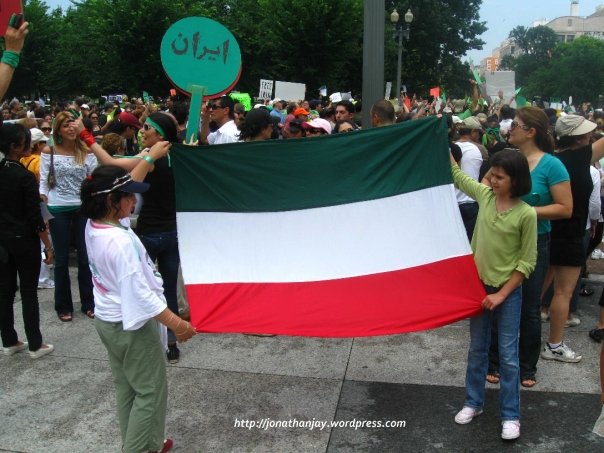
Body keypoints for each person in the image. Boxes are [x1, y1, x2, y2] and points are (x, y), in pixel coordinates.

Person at [81, 164, 195, 453]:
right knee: (150, 392)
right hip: (131, 326)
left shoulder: (96, 224)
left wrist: (150, 157)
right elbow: (141, 295)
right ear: (111, 200)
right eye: (129, 196)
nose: (135, 200)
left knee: (128, 388)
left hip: (109, 320)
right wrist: (177, 324)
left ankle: (150, 444)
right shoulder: (119, 242)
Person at [452, 149, 537, 441]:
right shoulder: (486, 197)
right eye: (492, 175)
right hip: (479, 288)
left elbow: (527, 262)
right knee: (477, 349)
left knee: (508, 355)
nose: (492, 180)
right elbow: (458, 176)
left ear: (516, 180)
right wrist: (441, 140)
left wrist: (502, 294)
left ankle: (511, 416)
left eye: (499, 177)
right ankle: (473, 402)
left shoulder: (526, 214)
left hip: (507, 292)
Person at [487, 106, 571, 388]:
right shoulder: (508, 158)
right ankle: (494, 362)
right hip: (501, 241)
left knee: (529, 307)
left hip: (536, 241)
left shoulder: (552, 165)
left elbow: (565, 208)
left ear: (531, 132)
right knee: (496, 300)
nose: (509, 128)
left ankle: (526, 366)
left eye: (515, 125)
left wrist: (526, 212)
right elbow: (486, 187)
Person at [541, 114, 604, 363]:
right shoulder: (581, 156)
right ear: (579, 138)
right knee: (563, 293)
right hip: (571, 232)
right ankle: (554, 344)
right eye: (587, 132)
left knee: (537, 291)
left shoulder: (551, 159)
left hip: (547, 229)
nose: (591, 135)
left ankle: (517, 335)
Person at [0, 123, 54, 359]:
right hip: (24, 239)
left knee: (5, 291)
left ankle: (9, 340)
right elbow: (36, 217)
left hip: (3, 239)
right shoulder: (24, 176)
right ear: (15, 145)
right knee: (29, 291)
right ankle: (35, 343)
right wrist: (48, 245)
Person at [39, 111, 97, 322]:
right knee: (62, 259)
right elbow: (43, 183)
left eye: (73, 124)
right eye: (65, 125)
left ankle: (89, 302)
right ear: (58, 130)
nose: (71, 128)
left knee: (85, 257)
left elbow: (94, 177)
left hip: (82, 208)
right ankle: (63, 306)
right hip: (58, 208)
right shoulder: (49, 151)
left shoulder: (86, 151)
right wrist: (44, 209)